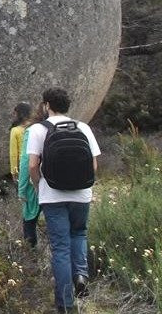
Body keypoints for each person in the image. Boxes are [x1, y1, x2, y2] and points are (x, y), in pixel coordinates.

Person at [27, 88, 101, 312]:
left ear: (46, 105)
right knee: (79, 233)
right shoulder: (83, 127)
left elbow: (32, 165)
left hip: (53, 196)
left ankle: (65, 304)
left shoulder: (38, 130)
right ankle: (80, 274)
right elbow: (94, 164)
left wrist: (39, 185)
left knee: (60, 248)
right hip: (81, 194)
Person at [17, 101, 45, 248]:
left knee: (29, 222)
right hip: (64, 186)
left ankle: (30, 258)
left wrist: (22, 188)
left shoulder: (33, 130)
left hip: (37, 184)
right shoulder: (76, 127)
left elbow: (27, 162)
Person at [9, 102, 33, 182]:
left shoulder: (15, 130)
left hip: (24, 165)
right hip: (36, 162)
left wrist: (14, 171)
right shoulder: (35, 127)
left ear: (18, 114)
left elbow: (13, 154)